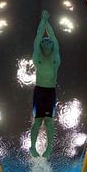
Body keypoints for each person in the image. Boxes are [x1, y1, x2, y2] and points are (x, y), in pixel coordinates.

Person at [29, 10, 61, 158]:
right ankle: (32, 147)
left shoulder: (56, 58)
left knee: (49, 121)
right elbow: (37, 36)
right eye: (44, 41)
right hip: (39, 91)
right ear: (40, 46)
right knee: (37, 122)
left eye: (49, 41)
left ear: (53, 46)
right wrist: (43, 20)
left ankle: (49, 148)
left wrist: (48, 21)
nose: (47, 41)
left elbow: (53, 36)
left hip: (50, 92)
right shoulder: (38, 57)